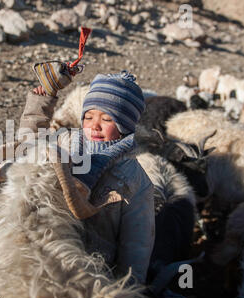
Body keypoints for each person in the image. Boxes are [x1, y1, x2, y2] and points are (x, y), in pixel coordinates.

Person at [20, 69, 155, 284]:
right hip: (50, 252)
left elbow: (137, 245)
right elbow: (28, 149)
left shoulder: (134, 180)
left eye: (107, 119)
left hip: (94, 271)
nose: (94, 125)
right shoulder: (65, 143)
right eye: (88, 116)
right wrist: (39, 104)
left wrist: (128, 287)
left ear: (125, 126)